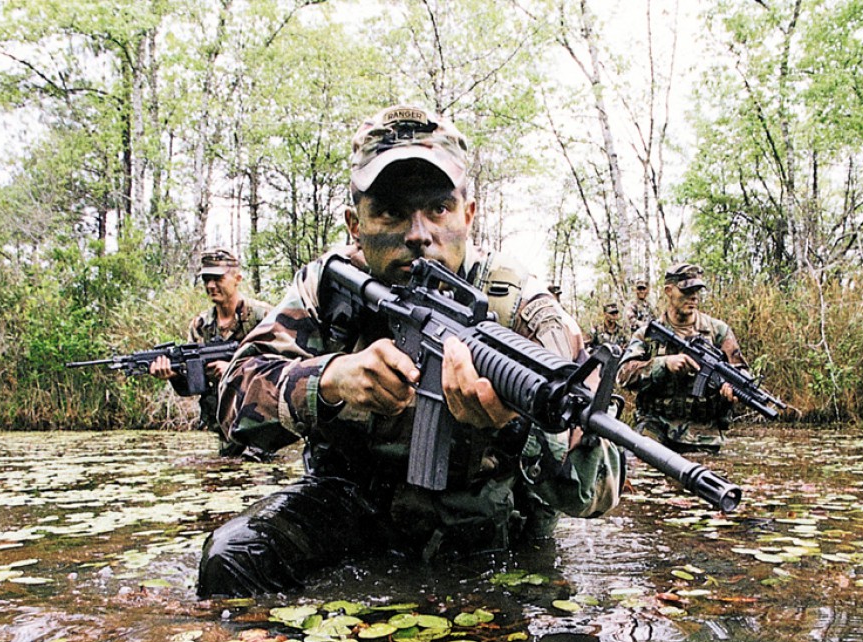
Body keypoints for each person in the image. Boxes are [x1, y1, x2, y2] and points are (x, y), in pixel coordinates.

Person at [197, 104, 625, 598]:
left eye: (438, 209)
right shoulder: (328, 289)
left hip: (490, 530)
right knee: (232, 558)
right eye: (390, 212)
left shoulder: (522, 309)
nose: (418, 234)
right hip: (353, 508)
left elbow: (601, 488)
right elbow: (233, 401)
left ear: (468, 214)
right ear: (354, 224)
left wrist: (514, 429)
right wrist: (330, 381)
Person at [150, 248, 271, 457]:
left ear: (237, 278)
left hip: (266, 428)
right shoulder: (201, 326)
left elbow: (284, 367)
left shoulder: (264, 317)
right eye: (206, 279)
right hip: (225, 432)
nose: (210, 286)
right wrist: (173, 376)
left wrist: (235, 370)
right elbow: (193, 387)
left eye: (217, 278)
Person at [617, 262, 749, 453]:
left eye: (697, 291)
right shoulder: (647, 334)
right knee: (638, 474)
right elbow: (623, 375)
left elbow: (741, 371)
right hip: (655, 429)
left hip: (703, 433)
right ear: (669, 291)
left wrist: (732, 389)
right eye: (687, 291)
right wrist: (662, 365)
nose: (693, 297)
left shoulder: (717, 331)